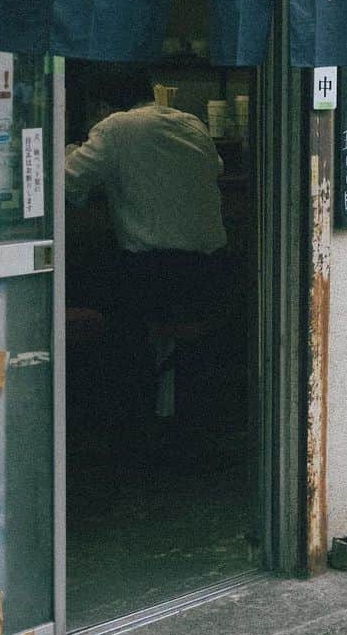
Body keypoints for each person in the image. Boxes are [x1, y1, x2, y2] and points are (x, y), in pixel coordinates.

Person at [65, 67, 228, 433]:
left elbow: (66, 178)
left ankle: (119, 417)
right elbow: (216, 166)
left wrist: (71, 147)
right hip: (210, 271)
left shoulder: (115, 128)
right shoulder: (191, 121)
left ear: (103, 105)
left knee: (86, 285)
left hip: (152, 275)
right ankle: (166, 406)